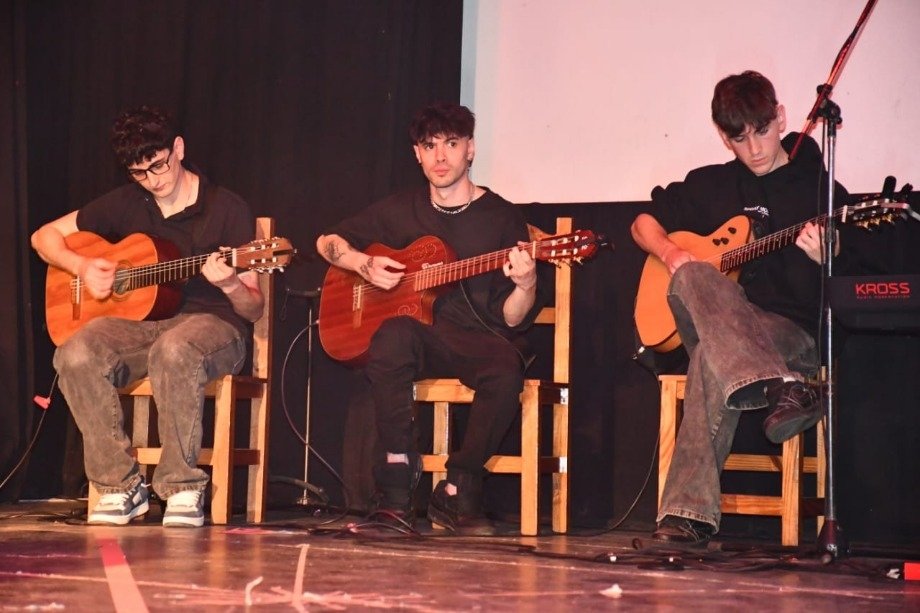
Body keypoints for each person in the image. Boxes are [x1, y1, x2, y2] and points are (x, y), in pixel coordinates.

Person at [631, 71, 854, 546]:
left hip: (791, 335)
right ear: (723, 136)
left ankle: (687, 515)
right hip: (730, 331)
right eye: (738, 139)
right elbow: (642, 223)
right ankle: (785, 388)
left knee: (709, 357)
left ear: (781, 118)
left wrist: (830, 253)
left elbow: (855, 271)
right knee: (692, 275)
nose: (754, 149)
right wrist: (671, 252)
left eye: (762, 131)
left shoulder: (818, 190)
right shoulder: (709, 185)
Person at [316, 102, 548, 534]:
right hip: (416, 337)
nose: (440, 157)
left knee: (506, 367)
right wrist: (362, 264)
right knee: (391, 337)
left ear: (470, 149)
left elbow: (513, 320)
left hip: (474, 338)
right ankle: (395, 489)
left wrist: (527, 284)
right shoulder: (400, 209)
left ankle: (457, 489)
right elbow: (327, 241)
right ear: (417, 154)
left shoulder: (500, 217)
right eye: (429, 146)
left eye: (451, 144)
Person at [31, 106, 264, 527]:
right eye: (140, 173)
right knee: (75, 352)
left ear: (178, 149)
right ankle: (119, 486)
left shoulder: (227, 208)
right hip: (143, 326)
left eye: (159, 165)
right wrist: (80, 266)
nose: (153, 180)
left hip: (214, 328)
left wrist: (231, 283)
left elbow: (254, 306)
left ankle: (182, 486)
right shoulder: (127, 201)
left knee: (175, 348)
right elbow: (43, 236)